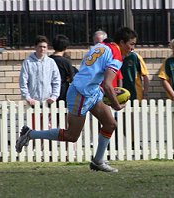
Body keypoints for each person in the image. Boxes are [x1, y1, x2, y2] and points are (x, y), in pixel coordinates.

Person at [16, 27, 138, 172]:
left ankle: (98, 161)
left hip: (90, 90)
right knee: (71, 136)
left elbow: (89, 67)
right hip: (81, 93)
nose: (132, 48)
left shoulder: (102, 46)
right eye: (131, 44)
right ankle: (30, 134)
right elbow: (107, 84)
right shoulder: (116, 56)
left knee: (110, 124)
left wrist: (96, 85)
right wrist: (116, 105)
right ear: (122, 42)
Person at [19, 35, 61, 129]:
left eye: (44, 47)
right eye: (40, 46)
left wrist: (54, 96)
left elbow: (56, 80)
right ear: (35, 47)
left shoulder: (51, 62)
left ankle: (47, 144)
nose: (42, 49)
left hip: (48, 101)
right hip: (33, 102)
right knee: (35, 128)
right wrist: (28, 98)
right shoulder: (28, 62)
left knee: (48, 128)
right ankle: (34, 144)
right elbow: (23, 81)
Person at [49, 34, 75, 103]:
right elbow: (73, 78)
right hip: (62, 92)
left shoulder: (48, 60)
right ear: (65, 47)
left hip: (49, 92)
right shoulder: (65, 61)